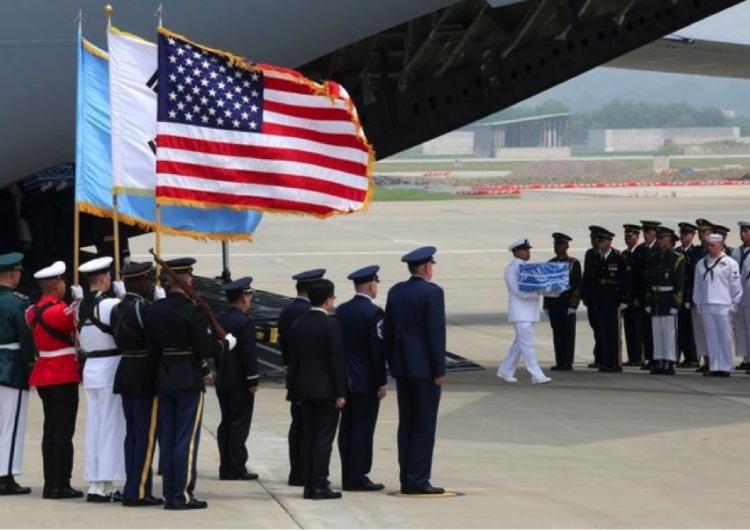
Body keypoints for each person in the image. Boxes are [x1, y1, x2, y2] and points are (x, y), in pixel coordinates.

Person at [144, 257, 237, 510]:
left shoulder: (155, 309)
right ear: (184, 279)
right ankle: (181, 494)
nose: (192, 280)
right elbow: (202, 348)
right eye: (190, 277)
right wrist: (225, 344)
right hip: (187, 378)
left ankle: (170, 491)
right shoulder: (193, 310)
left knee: (170, 436)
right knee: (186, 439)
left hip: (164, 377)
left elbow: (152, 351)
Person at [383, 246, 446, 496]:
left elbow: (388, 330)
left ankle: (406, 476)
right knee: (424, 425)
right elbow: (435, 333)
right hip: (424, 370)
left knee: (406, 424)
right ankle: (418, 479)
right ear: (427, 267)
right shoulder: (432, 293)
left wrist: (390, 360)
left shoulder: (396, 291)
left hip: (402, 367)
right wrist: (438, 368)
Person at [26, 261, 83, 499]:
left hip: (43, 373)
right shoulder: (62, 310)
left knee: (50, 429)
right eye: (63, 281)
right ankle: (60, 483)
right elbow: (78, 331)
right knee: (63, 432)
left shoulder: (30, 311)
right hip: (62, 373)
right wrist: (79, 303)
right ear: (57, 284)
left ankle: (50, 481)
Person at [110, 262, 164, 507]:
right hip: (143, 373)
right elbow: (154, 342)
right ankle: (138, 491)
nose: (151, 286)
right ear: (143, 283)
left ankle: (132, 485)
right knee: (145, 434)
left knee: (132, 433)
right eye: (150, 282)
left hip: (125, 370)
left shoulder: (117, 308)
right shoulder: (145, 308)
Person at [288, 279, 346, 500]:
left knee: (308, 437)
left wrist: (293, 390)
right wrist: (340, 392)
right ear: (328, 299)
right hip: (326, 391)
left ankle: (309, 484)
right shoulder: (331, 325)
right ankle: (320, 484)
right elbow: (336, 361)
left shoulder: (299, 324)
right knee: (323, 439)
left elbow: (295, 361)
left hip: (305, 389)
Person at [75, 256, 126, 502]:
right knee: (110, 427)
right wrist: (123, 299)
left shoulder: (77, 306)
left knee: (95, 427)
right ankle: (103, 484)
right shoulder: (110, 305)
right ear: (105, 278)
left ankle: (97, 481)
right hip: (110, 367)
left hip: (91, 367)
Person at [335, 265, 387, 492]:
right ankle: (359, 475)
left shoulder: (341, 310)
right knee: (363, 430)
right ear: (372, 285)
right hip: (365, 380)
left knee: (346, 428)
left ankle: (348, 473)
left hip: (344, 379)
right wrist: (381, 382)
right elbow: (376, 351)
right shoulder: (374, 313)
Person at [277, 268, 325, 487]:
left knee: (297, 425)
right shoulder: (309, 313)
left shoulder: (287, 311)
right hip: (311, 378)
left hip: (293, 375)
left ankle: (296, 471)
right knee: (311, 429)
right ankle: (306, 472)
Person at [215, 277, 259, 481]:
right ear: (243, 298)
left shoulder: (220, 319)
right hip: (240, 382)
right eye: (249, 296)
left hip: (223, 379)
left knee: (226, 423)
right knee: (239, 424)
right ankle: (236, 465)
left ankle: (226, 465)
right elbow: (248, 354)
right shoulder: (245, 322)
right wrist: (253, 380)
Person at [0, 252, 35, 495]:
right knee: (11, 425)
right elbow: (26, 339)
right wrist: (30, 365)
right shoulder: (18, 303)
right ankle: (6, 477)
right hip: (11, 367)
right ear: (14, 275)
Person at [498, 238, 551, 384]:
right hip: (520, 313)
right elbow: (517, 292)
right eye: (525, 250)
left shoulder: (528, 269)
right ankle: (536, 374)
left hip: (529, 312)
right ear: (516, 252)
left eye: (528, 250)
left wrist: (547, 290)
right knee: (527, 345)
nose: (528, 252)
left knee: (519, 344)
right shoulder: (512, 269)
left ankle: (505, 370)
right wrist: (539, 292)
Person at [693, 234, 742, 377]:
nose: (709, 248)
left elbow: (735, 285)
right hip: (707, 304)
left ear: (721, 245)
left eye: (713, 245)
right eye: (708, 245)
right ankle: (714, 365)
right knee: (711, 337)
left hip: (723, 304)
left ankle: (725, 366)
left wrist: (735, 302)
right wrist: (698, 303)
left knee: (725, 337)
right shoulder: (701, 263)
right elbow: (698, 285)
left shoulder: (729, 263)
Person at [591, 229, 632, 373]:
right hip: (602, 300)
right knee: (603, 332)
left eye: (602, 241)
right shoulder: (597, 257)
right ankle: (606, 362)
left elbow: (626, 279)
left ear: (609, 242)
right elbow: (595, 281)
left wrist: (624, 299)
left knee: (614, 333)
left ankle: (615, 362)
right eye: (598, 241)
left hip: (614, 300)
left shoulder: (618, 257)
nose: (599, 243)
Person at [645, 227, 685, 375]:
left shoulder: (677, 258)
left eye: (662, 239)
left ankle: (669, 361)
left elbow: (679, 283)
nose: (659, 241)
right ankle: (659, 360)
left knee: (669, 333)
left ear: (669, 241)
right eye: (659, 238)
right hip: (656, 300)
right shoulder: (653, 258)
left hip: (668, 300)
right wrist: (648, 302)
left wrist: (676, 303)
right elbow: (649, 282)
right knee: (657, 333)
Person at [543, 233, 581, 371]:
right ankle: (559, 361)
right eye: (555, 245)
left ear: (567, 246)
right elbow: (546, 287)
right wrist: (546, 305)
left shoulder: (573, 263)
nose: (557, 247)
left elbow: (577, 286)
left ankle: (567, 362)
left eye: (560, 245)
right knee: (557, 334)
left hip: (566, 304)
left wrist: (573, 305)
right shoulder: (550, 263)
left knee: (568, 334)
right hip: (554, 305)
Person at [632, 220, 661, 369]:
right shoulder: (640, 250)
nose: (646, 236)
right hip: (643, 295)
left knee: (657, 329)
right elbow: (635, 275)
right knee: (645, 329)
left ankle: (658, 358)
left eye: (649, 233)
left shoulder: (659, 248)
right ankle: (649, 357)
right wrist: (636, 295)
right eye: (645, 233)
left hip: (656, 296)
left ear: (655, 233)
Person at [581, 225, 606, 369]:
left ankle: (604, 357)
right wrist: (584, 295)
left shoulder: (607, 254)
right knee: (596, 328)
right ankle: (598, 356)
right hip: (591, 299)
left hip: (602, 299)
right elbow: (587, 276)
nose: (593, 242)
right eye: (592, 239)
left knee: (604, 329)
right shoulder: (589, 253)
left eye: (596, 239)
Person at [675, 222, 699, 368]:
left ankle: (693, 357)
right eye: (681, 234)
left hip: (690, 294)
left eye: (686, 234)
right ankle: (684, 355)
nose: (683, 236)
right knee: (681, 328)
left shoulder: (695, 252)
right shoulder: (677, 251)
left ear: (692, 236)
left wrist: (691, 297)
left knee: (691, 329)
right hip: (679, 295)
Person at [620, 224, 643, 367]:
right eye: (626, 236)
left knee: (638, 329)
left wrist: (638, 296)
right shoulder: (624, 255)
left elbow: (640, 278)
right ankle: (632, 356)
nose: (628, 238)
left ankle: (640, 356)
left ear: (637, 237)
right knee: (629, 329)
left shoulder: (641, 252)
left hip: (637, 298)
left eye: (630, 236)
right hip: (627, 298)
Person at [732, 221, 750, 373]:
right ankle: (746, 358)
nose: (743, 234)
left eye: (746, 231)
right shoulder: (737, 252)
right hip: (740, 296)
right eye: (741, 231)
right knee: (741, 329)